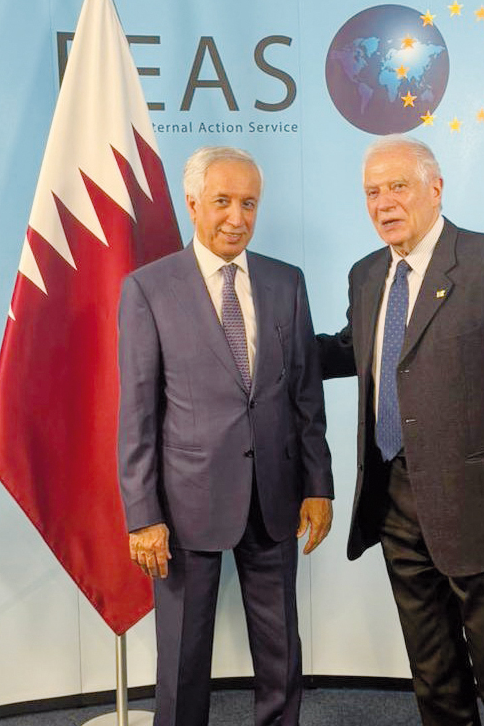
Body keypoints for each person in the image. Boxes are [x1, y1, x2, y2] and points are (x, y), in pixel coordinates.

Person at [317, 135, 484, 726]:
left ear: (435, 187)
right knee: (432, 672)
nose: (384, 204)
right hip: (395, 503)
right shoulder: (367, 273)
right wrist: (262, 343)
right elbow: (361, 351)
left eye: (398, 186)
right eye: (372, 192)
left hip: (482, 512)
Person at [117, 145, 333, 726]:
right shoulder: (148, 289)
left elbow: (305, 398)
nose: (236, 217)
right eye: (222, 202)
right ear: (192, 203)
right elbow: (137, 413)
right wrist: (143, 514)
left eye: (248, 204)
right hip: (186, 507)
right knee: (183, 660)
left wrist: (319, 485)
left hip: (276, 498)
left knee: (281, 652)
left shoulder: (286, 282)